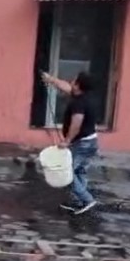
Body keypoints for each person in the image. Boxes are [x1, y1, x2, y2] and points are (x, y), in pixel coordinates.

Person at [41, 70, 99, 215]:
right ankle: (79, 202)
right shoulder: (86, 95)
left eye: (74, 81)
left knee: (67, 174)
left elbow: (76, 123)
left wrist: (67, 141)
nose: (71, 82)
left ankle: (87, 200)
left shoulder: (79, 103)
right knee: (79, 171)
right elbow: (66, 87)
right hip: (91, 141)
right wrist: (51, 80)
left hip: (81, 144)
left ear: (78, 86)